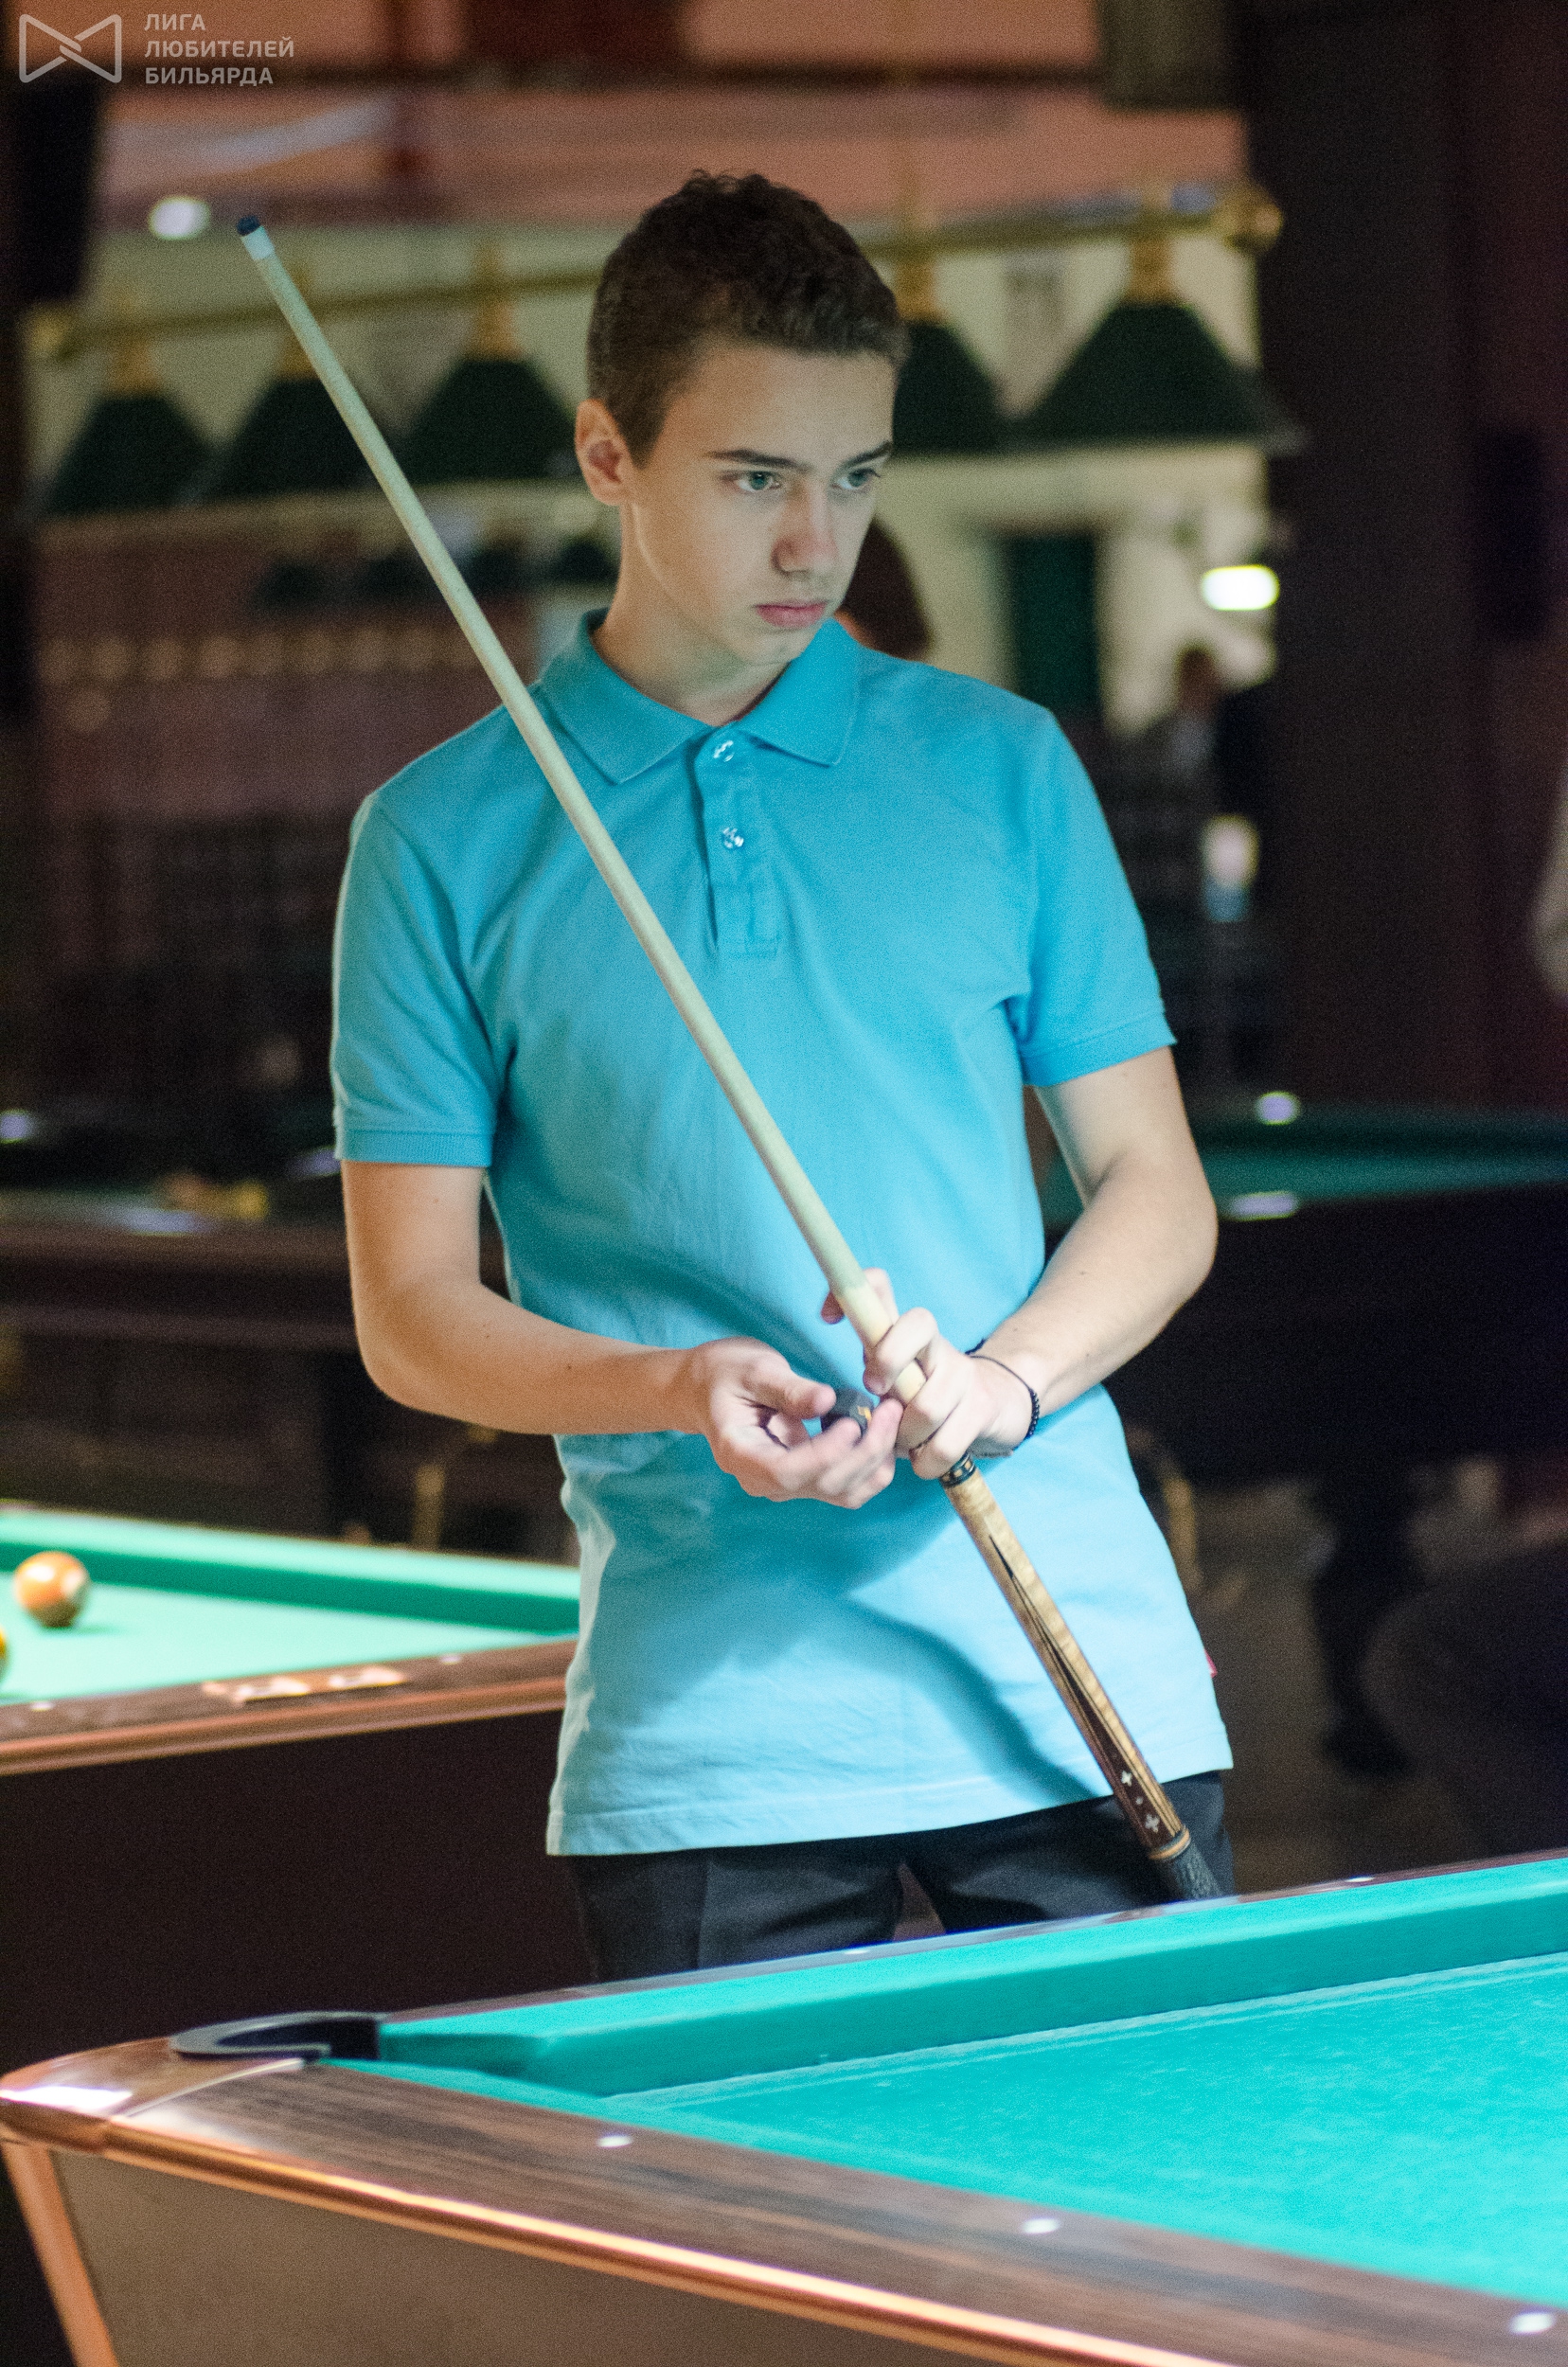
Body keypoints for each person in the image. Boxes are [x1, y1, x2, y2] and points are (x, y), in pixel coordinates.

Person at [332, 172, 1232, 1983]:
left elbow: (1158, 1192)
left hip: (1068, 1675)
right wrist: (671, 1385)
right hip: (711, 1734)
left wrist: (1004, 1382)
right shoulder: (440, 839)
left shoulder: (999, 767)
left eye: (856, 476)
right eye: (756, 479)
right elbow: (412, 1317)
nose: (816, 544)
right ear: (609, 454)